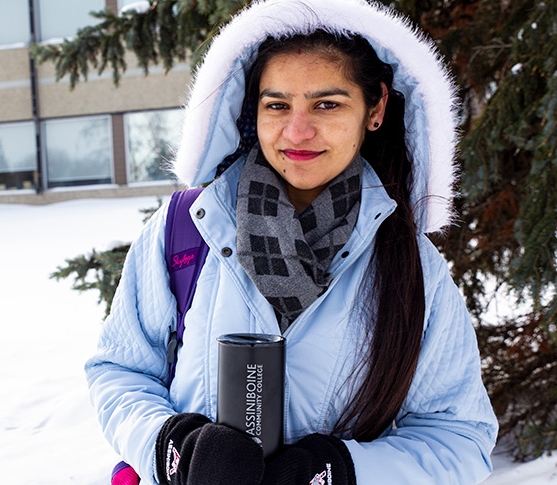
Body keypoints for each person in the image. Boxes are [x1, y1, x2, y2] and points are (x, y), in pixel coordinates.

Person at [85, 0, 498, 483]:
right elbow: (120, 371)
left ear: (376, 108)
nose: (297, 131)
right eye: (277, 104)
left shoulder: (411, 267)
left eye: (327, 104)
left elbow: (458, 438)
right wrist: (172, 447)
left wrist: (342, 471)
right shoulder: (185, 230)